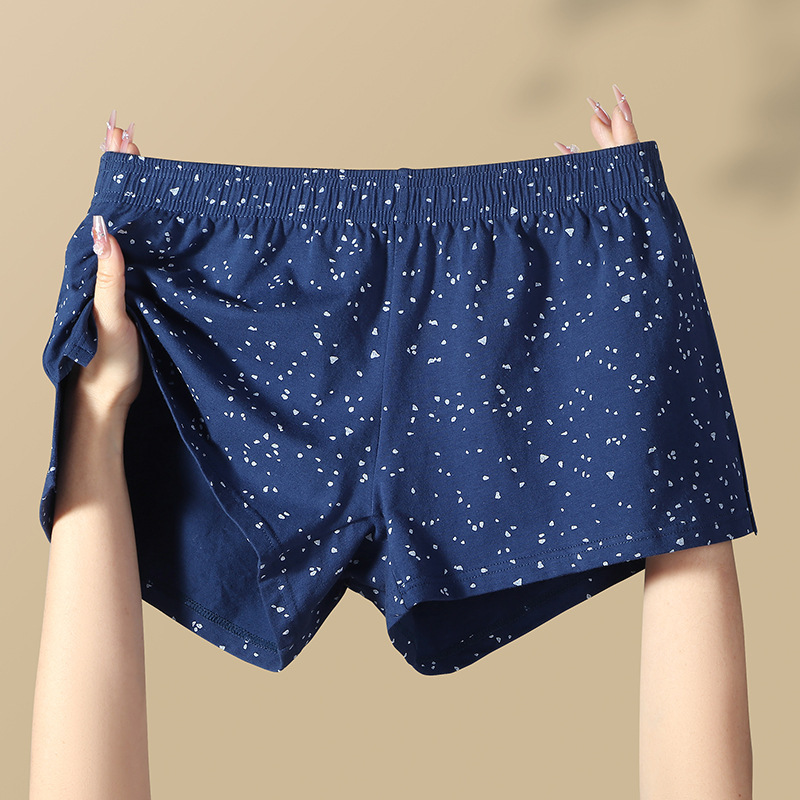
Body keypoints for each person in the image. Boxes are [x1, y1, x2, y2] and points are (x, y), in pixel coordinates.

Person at [29, 88, 754, 800]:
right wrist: (634, 270)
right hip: (213, 298)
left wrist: (100, 410)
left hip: (481, 292)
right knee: (676, 516)